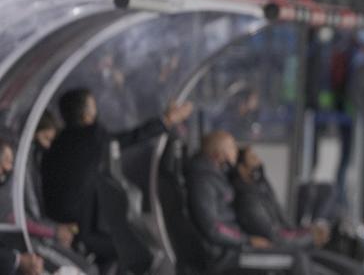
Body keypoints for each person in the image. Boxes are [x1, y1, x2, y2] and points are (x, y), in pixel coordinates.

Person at [42, 88, 193, 268]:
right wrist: (167, 120)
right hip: (81, 227)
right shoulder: (92, 136)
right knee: (136, 250)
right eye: (93, 107)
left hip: (56, 219)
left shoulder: (59, 143)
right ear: (87, 114)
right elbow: (130, 138)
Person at [186, 131, 314, 275]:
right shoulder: (203, 181)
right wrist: (246, 240)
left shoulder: (216, 176)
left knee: (297, 255)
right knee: (295, 259)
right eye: (231, 147)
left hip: (234, 248)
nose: (236, 150)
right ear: (219, 153)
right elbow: (212, 227)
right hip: (224, 256)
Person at [231, 146, 364, 275]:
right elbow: (276, 237)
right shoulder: (248, 200)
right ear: (242, 169)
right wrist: (310, 237)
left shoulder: (262, 191)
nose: (259, 162)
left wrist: (308, 233)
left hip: (296, 247)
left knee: (355, 270)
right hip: (286, 251)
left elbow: (286, 226)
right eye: (253, 158)